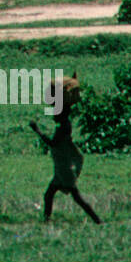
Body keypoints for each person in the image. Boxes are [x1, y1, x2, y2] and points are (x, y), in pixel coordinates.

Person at [29, 76, 102, 224]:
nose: (53, 114)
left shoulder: (63, 127)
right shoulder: (63, 124)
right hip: (61, 169)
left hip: (64, 170)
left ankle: (97, 220)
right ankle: (46, 221)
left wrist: (37, 130)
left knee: (76, 198)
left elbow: (52, 143)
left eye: (56, 112)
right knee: (50, 195)